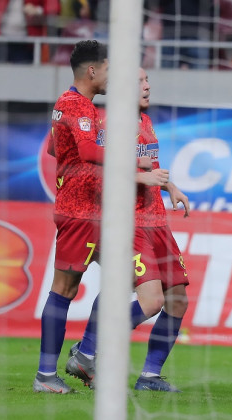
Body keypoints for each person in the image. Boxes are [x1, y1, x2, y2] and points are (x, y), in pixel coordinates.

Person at [64, 67, 192, 393]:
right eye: (140, 82)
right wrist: (142, 177)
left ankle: (149, 377)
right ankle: (91, 350)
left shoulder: (144, 123)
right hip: (130, 223)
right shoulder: (109, 124)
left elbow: (147, 167)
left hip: (158, 222)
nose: (148, 86)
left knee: (178, 301)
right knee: (150, 302)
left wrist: (171, 186)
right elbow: (96, 171)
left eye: (148, 80)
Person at [32, 39, 109, 394]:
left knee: (132, 278)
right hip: (80, 211)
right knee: (64, 287)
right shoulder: (76, 104)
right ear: (91, 71)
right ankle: (46, 375)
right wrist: (132, 158)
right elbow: (89, 151)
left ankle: (86, 352)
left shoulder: (75, 105)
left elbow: (53, 147)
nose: (112, 75)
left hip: (91, 209)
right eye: (108, 68)